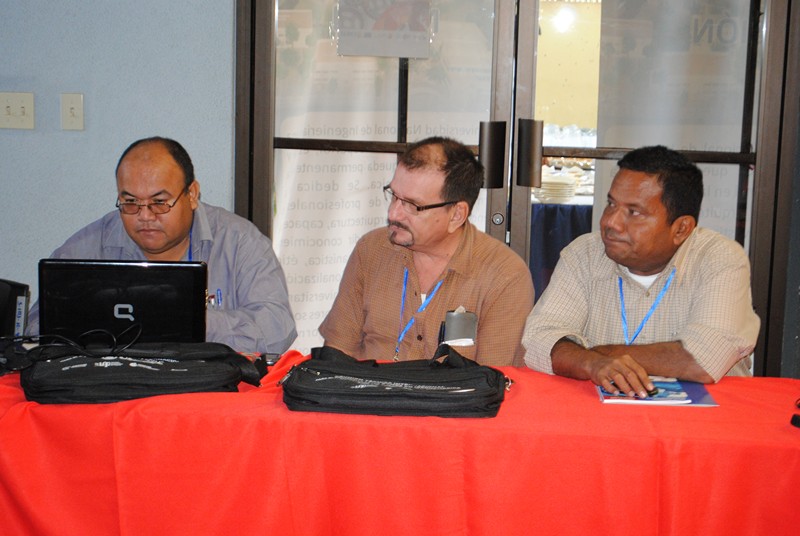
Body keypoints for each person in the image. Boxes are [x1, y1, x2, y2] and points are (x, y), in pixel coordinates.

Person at [522, 145, 760, 397]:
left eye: (633, 212)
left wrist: (595, 355)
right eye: (611, 204)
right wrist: (592, 363)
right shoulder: (585, 254)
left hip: (705, 417)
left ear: (681, 229)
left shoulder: (720, 259)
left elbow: (702, 359)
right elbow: (539, 340)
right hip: (601, 414)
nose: (610, 222)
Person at [26, 136, 296, 354]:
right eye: (130, 202)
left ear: (192, 194)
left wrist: (188, 319)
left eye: (159, 202)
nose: (144, 215)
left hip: (206, 391)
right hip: (117, 389)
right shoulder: (90, 245)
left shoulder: (238, 241)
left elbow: (278, 331)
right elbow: (36, 331)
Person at [319, 136, 534, 366]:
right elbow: (337, 352)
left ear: (457, 215)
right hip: (366, 387)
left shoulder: (504, 275)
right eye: (393, 195)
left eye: (412, 205)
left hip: (455, 391)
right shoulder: (371, 249)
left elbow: (493, 379)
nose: (393, 214)